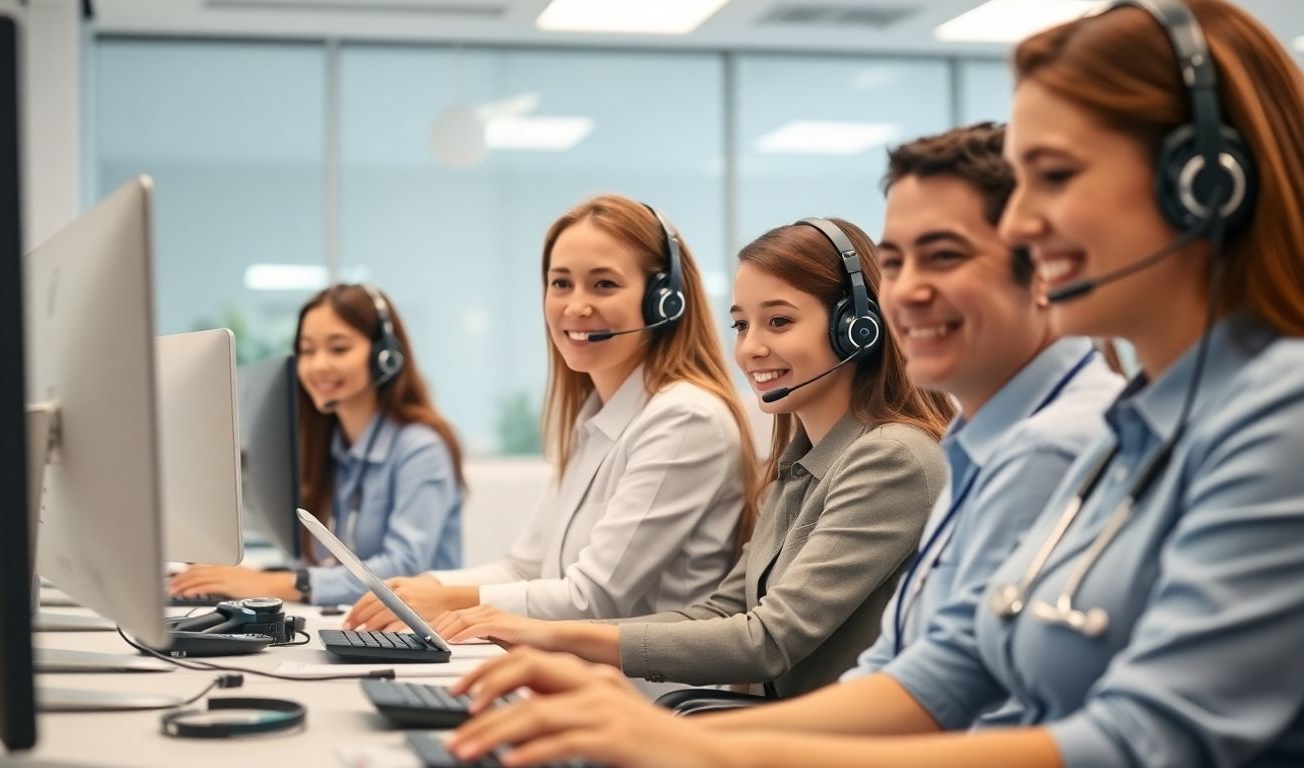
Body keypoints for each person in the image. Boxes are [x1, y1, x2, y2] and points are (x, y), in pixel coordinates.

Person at [440, 2, 1304, 766]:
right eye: (894, 263)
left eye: (1057, 177)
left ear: (1206, 182)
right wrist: (670, 736)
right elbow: (933, 674)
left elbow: (1144, 737)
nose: (1028, 224)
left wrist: (702, 747)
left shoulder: (1261, 417)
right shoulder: (1116, 432)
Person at [432, 217, 952, 698]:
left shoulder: (892, 460)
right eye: (742, 325)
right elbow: (725, 609)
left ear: (857, 328)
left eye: (778, 321)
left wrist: (550, 636)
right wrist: (546, 635)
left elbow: (768, 640)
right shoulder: (800, 465)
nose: (750, 349)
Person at [343, 195, 761, 630]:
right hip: (572, 675)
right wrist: (419, 588)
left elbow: (592, 596)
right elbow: (524, 566)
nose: (576, 307)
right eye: (561, 283)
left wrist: (446, 598)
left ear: (664, 301)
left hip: (648, 693)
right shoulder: (596, 419)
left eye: (604, 284)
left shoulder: (686, 419)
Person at [847, 124, 1123, 697]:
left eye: (943, 257)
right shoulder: (984, 433)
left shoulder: (1054, 444)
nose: (906, 292)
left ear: (1044, 268)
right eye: (893, 263)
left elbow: (943, 695)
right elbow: (892, 660)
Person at [169, 283, 464, 606]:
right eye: (308, 351)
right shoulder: (330, 445)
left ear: (386, 356)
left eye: (338, 349)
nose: (319, 365)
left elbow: (404, 567)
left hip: (419, 634)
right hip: (358, 621)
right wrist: (241, 577)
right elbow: (320, 558)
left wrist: (277, 583)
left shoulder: (422, 448)